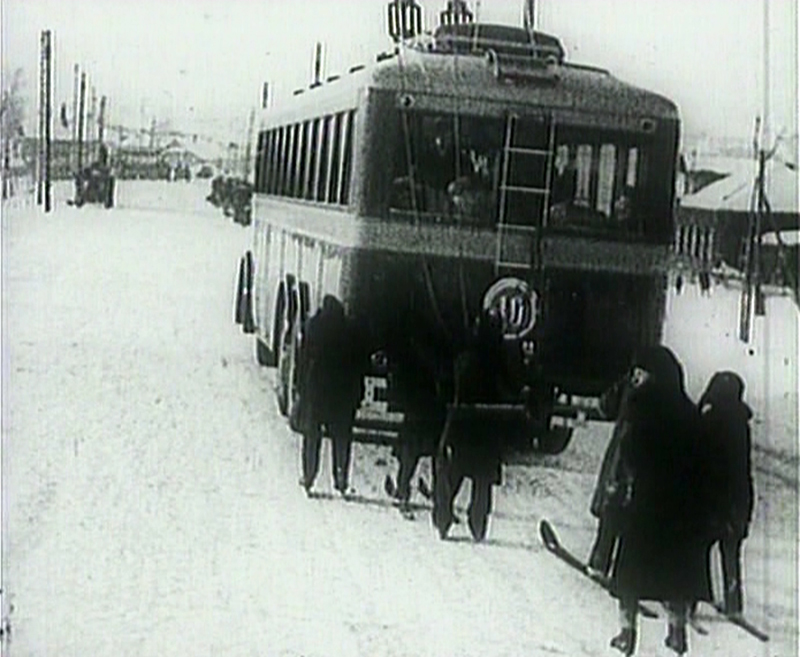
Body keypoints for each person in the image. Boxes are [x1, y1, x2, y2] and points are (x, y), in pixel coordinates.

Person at [608, 346, 711, 656]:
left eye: (640, 372)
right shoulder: (688, 410)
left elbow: (630, 453)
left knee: (629, 576)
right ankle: (677, 632)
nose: (635, 377)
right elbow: (701, 461)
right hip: (680, 509)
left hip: (646, 505)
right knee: (676, 576)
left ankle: (627, 633)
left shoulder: (641, 408)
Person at [432, 309, 513, 542]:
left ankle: (443, 519)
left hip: (462, 427)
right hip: (487, 430)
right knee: (483, 482)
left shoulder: (464, 359)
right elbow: (508, 391)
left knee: (453, 474)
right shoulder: (500, 364)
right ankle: (478, 526)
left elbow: (448, 387)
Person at [698, 371, 754, 617]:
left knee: (699, 546)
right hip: (739, 497)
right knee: (731, 551)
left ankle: (695, 597)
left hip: (713, 495)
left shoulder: (712, 418)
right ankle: (734, 604)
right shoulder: (742, 423)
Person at [296, 295, 364, 498]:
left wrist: (301, 389)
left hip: (317, 393)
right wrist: (357, 396)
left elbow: (304, 359)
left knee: (312, 437)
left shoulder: (313, 326)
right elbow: (358, 365)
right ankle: (341, 478)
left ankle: (309, 476)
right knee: (342, 439)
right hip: (343, 396)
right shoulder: (350, 331)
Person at [384, 334, 448, 511]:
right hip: (423, 409)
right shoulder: (424, 350)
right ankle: (406, 491)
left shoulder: (416, 347)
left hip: (423, 409)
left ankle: (409, 491)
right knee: (417, 455)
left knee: (414, 455)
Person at [586, 369, 636, 581]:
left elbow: (606, 406)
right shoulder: (667, 386)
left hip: (627, 455)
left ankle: (601, 563)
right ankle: (621, 572)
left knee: (613, 508)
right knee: (628, 514)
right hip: (644, 459)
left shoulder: (633, 383)